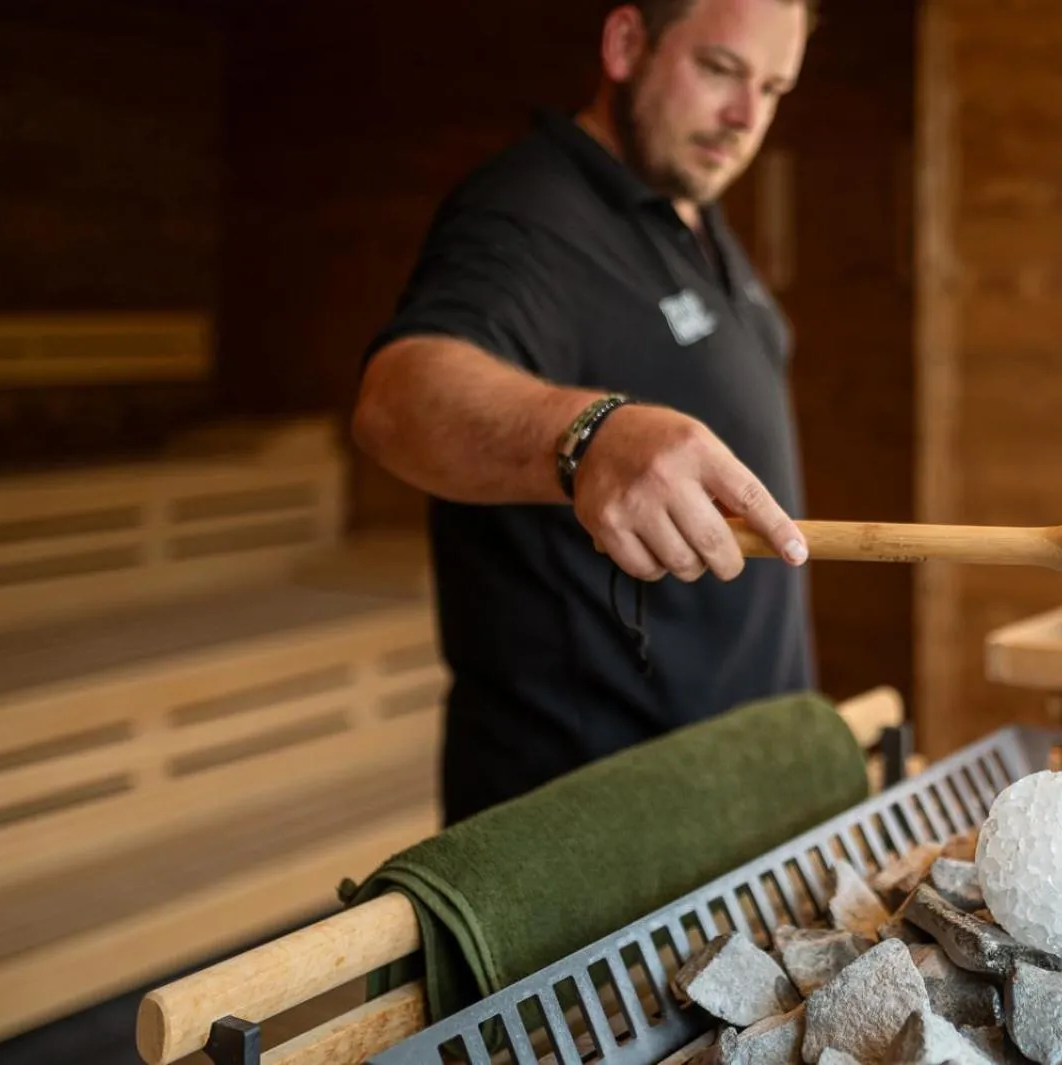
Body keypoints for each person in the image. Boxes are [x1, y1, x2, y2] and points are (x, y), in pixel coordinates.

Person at [351, 0, 823, 826]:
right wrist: (591, 434)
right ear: (626, 43)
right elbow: (397, 398)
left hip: (729, 790)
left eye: (774, 88)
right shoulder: (528, 213)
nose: (746, 117)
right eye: (720, 70)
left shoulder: (687, 209)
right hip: (591, 820)